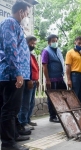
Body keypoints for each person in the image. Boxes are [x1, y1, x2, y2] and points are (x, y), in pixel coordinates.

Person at [0, 1, 31, 150]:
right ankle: (8, 144)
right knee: (9, 109)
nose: (27, 17)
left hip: (15, 74)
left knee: (13, 109)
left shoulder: (16, 26)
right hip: (10, 75)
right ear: (20, 12)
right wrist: (18, 73)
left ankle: (13, 136)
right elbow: (10, 49)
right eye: (27, 13)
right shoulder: (9, 23)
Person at [42, 34, 67, 123]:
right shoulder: (46, 51)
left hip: (60, 78)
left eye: (56, 41)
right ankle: (52, 116)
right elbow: (44, 66)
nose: (55, 43)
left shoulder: (59, 50)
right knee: (52, 98)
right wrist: (47, 79)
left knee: (62, 96)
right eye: (53, 41)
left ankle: (60, 114)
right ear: (49, 42)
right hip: (52, 79)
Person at [18, 35, 39, 129]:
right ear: (26, 42)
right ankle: (23, 122)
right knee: (25, 103)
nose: (33, 45)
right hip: (28, 81)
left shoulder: (31, 55)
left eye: (34, 43)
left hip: (33, 81)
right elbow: (27, 68)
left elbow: (35, 69)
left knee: (31, 102)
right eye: (32, 43)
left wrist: (36, 79)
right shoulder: (24, 53)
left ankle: (27, 119)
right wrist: (29, 79)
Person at [65, 36, 81, 108]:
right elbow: (68, 67)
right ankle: (74, 113)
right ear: (75, 42)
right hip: (75, 76)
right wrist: (69, 80)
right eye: (79, 43)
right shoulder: (70, 53)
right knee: (74, 95)